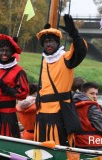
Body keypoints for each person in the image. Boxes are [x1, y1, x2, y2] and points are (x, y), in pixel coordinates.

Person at [34, 14, 88, 146]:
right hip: (42, 111)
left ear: (57, 43)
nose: (48, 44)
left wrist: (74, 34)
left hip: (58, 111)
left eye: (51, 41)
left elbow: (80, 51)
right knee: (41, 144)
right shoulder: (45, 60)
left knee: (58, 143)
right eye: (46, 42)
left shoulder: (65, 57)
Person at [73, 82, 102, 150]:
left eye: (96, 94)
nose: (95, 96)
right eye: (92, 93)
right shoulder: (91, 107)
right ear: (84, 93)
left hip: (77, 143)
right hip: (93, 144)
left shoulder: (73, 104)